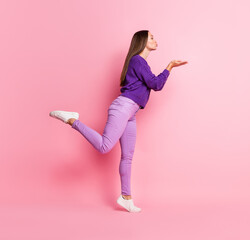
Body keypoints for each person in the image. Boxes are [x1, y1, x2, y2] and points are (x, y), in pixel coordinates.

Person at [49, 30, 188, 213]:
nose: (155, 39)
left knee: (127, 157)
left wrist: (169, 67)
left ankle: (126, 197)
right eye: (151, 37)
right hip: (123, 107)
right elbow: (155, 84)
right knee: (105, 146)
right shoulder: (137, 60)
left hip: (131, 112)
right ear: (142, 40)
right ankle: (72, 120)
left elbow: (155, 84)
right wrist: (169, 66)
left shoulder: (140, 62)